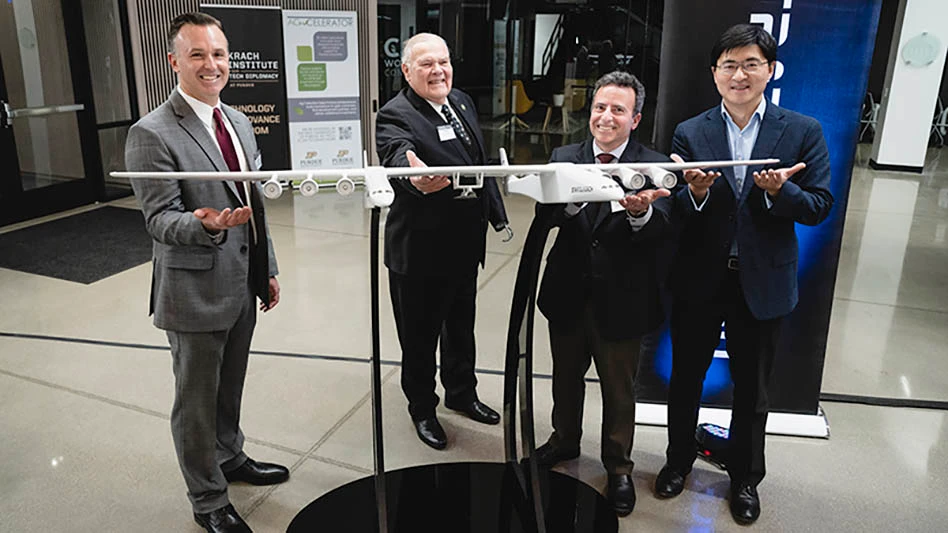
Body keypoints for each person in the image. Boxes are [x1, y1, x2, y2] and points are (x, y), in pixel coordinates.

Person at [654, 24, 833, 525]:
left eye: (751, 64)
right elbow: (675, 207)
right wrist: (696, 192)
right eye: (729, 65)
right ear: (715, 74)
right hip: (700, 278)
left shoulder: (802, 131)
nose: (739, 75)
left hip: (763, 280)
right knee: (686, 378)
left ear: (770, 70)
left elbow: (820, 205)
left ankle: (745, 477)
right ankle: (677, 461)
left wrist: (780, 192)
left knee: (753, 390)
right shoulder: (691, 132)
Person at [125, 13, 288, 533]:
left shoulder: (239, 121)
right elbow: (159, 220)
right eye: (197, 54)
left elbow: (254, 204)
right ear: (173, 61)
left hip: (242, 280)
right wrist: (206, 224)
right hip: (193, 289)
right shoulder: (151, 132)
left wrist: (267, 267)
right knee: (196, 402)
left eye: (218, 54)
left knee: (229, 386)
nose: (210, 64)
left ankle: (229, 456)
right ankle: (207, 498)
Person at [532, 71, 672, 516]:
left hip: (624, 299)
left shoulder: (655, 164)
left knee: (619, 389)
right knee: (564, 377)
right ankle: (564, 440)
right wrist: (572, 199)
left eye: (618, 110)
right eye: (599, 107)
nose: (606, 117)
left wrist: (639, 216)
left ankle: (619, 467)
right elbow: (544, 216)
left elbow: (665, 232)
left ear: (636, 119)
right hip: (568, 291)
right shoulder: (565, 156)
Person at [375, 33, 511, 450]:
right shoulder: (395, 115)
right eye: (427, 64)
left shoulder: (462, 102)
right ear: (406, 71)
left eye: (444, 62)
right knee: (420, 339)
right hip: (420, 252)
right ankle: (422, 408)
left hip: (463, 245)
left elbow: (477, 164)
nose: (438, 71)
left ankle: (461, 393)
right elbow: (397, 154)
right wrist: (413, 176)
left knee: (460, 329)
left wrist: (497, 216)